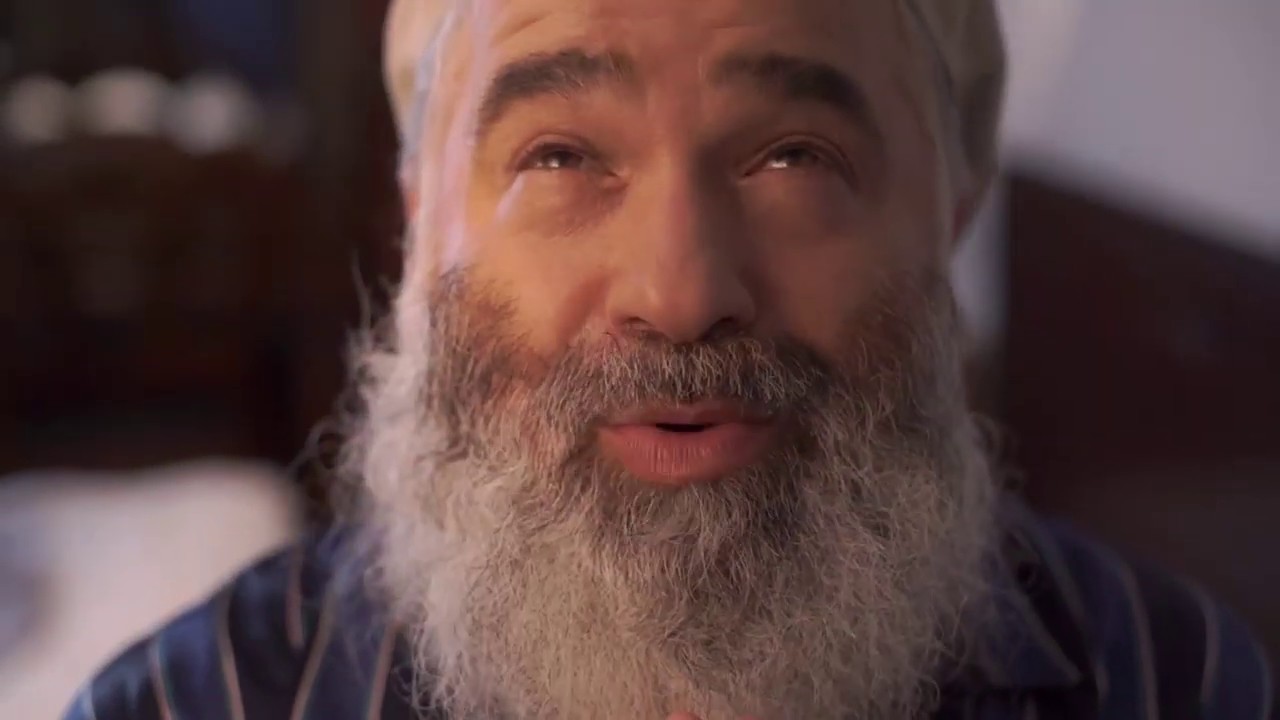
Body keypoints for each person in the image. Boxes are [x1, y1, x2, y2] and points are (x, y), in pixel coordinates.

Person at [67, 0, 1274, 718]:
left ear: (948, 208)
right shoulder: (193, 704)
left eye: (794, 157)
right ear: (421, 217)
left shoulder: (1171, 682)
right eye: (556, 156)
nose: (681, 294)